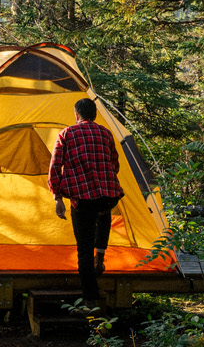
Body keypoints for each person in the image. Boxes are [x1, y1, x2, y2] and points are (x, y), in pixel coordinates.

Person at [49, 98, 124, 308]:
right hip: (107, 194)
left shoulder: (66, 134)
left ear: (76, 115)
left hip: (82, 198)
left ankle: (91, 298)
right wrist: (103, 180)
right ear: (95, 115)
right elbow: (114, 163)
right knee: (104, 211)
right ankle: (100, 256)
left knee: (83, 248)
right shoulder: (106, 133)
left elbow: (55, 167)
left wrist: (58, 198)